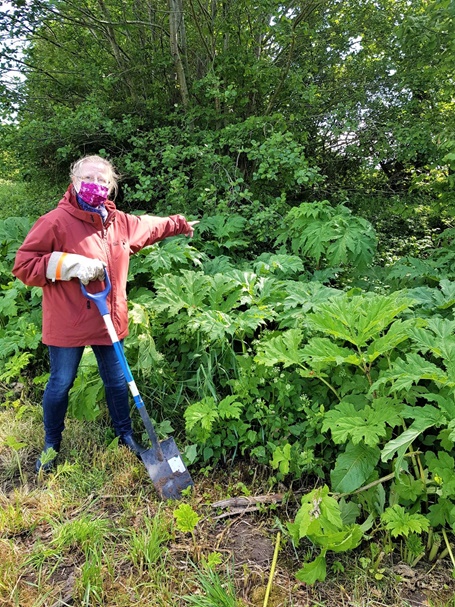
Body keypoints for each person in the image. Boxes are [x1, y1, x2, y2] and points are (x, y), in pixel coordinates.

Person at [13, 155, 198, 472]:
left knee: (116, 381)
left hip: (108, 319)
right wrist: (68, 265)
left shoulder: (119, 223)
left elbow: (151, 225)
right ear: (74, 181)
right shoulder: (55, 222)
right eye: (88, 178)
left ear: (111, 186)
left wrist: (179, 224)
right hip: (68, 321)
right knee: (61, 383)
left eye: (102, 180)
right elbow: (24, 265)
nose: (95, 184)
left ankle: (125, 435)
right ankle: (51, 445)